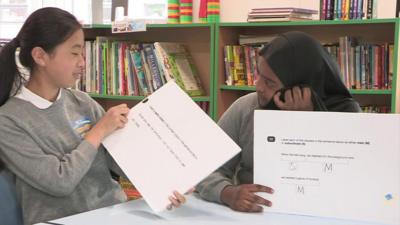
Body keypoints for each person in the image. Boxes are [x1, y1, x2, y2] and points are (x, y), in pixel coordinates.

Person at [0, 7, 187, 225]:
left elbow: (123, 160)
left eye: (83, 53)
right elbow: (59, 182)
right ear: (40, 56)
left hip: (112, 213)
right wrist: (98, 131)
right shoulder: (8, 120)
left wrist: (166, 185)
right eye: (74, 53)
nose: (82, 62)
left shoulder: (81, 101)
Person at [196, 31, 361, 213]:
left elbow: (353, 182)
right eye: (259, 75)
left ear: (301, 87)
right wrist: (229, 193)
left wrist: (310, 123)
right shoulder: (246, 108)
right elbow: (203, 168)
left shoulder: (348, 115)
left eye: (270, 83)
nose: (258, 87)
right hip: (254, 216)